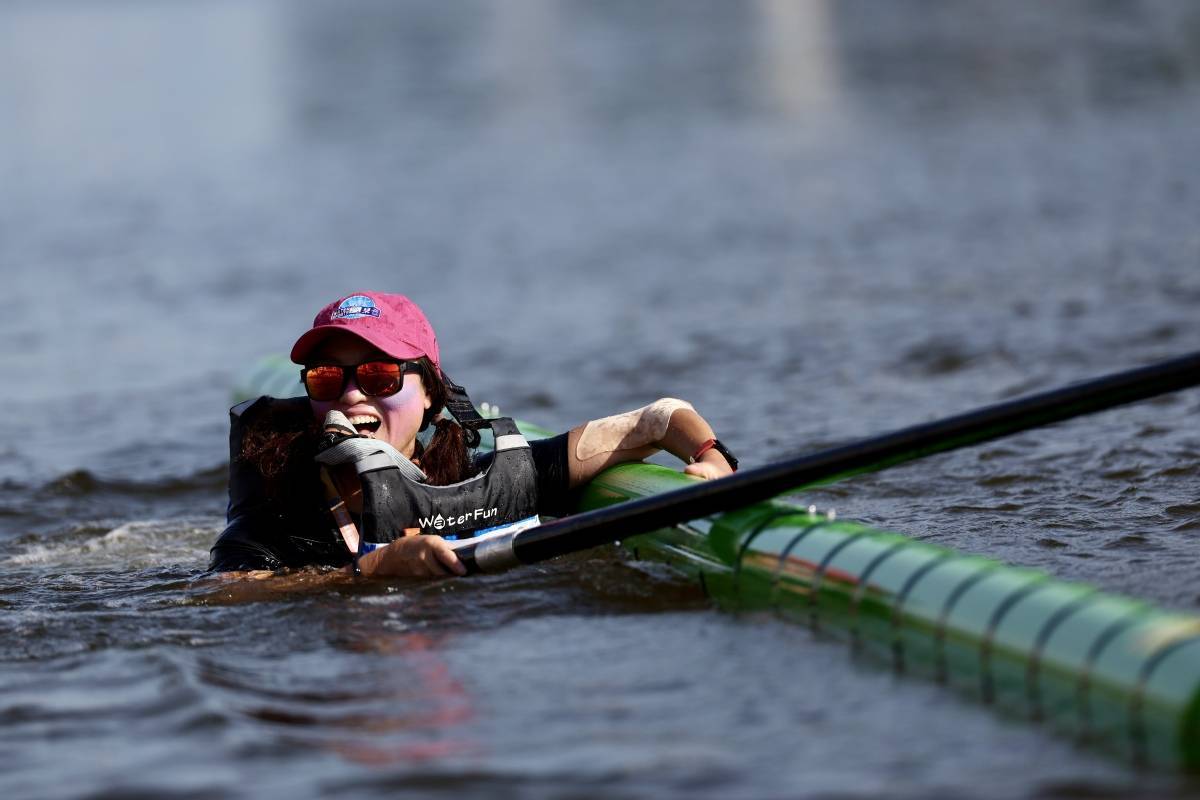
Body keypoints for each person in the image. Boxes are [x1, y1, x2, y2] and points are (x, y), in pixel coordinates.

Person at [209, 292, 737, 578]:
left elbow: (657, 418)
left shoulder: (482, 480)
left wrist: (711, 458)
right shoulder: (279, 504)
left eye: (378, 376)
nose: (351, 395)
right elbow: (226, 597)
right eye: (327, 377)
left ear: (431, 395)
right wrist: (365, 573)